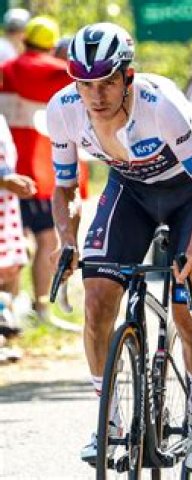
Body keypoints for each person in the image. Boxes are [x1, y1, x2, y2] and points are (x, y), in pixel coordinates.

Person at [48, 22, 192, 472]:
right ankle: (108, 422)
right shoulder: (63, 110)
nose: (96, 95)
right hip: (130, 192)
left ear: (128, 76)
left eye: (107, 82)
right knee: (96, 301)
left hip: (189, 195)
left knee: (189, 318)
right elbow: (64, 188)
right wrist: (67, 241)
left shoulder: (160, 105)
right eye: (85, 83)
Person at [0, 16, 77, 325]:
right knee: (46, 239)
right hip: (38, 173)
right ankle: (41, 308)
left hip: (7, 173)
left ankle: (10, 311)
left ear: (24, 39)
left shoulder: (6, 69)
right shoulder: (56, 73)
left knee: (12, 245)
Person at [0, 112, 34, 340]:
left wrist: (13, 180)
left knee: (12, 265)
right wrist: (5, 181)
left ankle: (5, 328)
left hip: (6, 208)